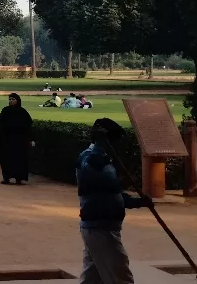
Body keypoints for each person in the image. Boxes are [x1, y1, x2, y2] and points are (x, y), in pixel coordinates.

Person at [77, 118, 150, 284]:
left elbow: (113, 194)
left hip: (103, 227)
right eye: (114, 141)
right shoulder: (87, 158)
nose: (117, 146)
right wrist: (100, 143)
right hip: (99, 229)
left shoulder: (106, 160)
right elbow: (93, 167)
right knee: (120, 277)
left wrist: (138, 202)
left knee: (92, 279)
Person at [0, 93, 35, 185]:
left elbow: (28, 127)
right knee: (6, 159)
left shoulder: (22, 112)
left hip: (19, 141)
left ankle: (19, 179)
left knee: (19, 160)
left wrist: (31, 139)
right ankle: (6, 178)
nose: (11, 101)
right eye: (10, 99)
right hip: (6, 140)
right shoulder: (5, 111)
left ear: (17, 100)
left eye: (13, 99)